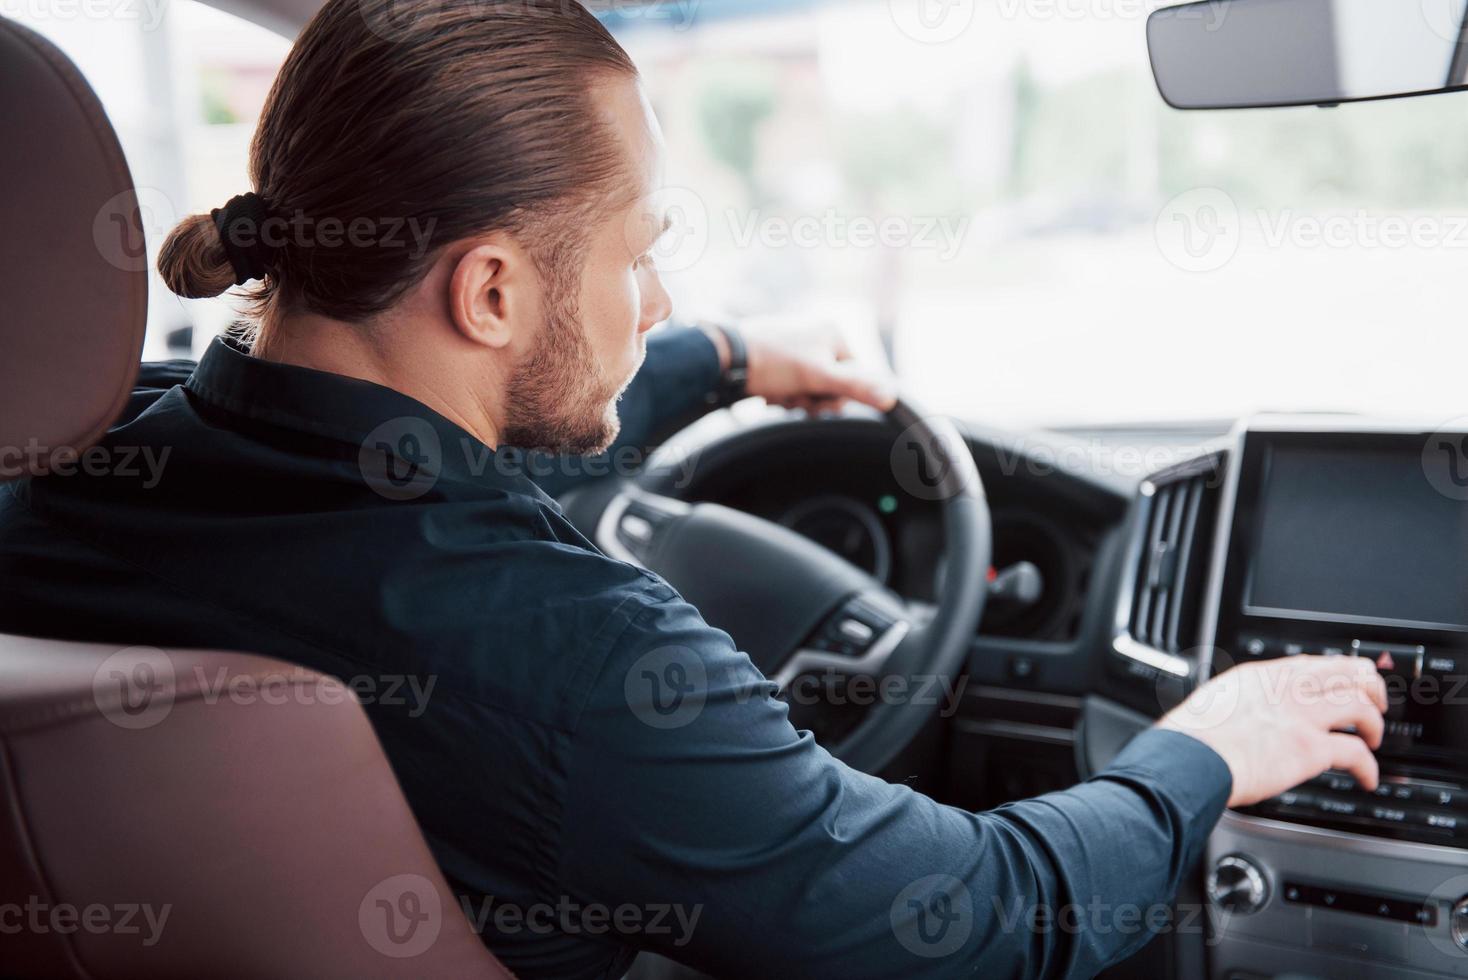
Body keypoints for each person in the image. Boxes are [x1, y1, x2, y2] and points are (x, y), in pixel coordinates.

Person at [0, 1, 1388, 977]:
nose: (659, 293)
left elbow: (426, 450)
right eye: (640, 251)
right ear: (490, 287)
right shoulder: (574, 652)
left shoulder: (85, 464)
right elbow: (972, 920)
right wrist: (1204, 749)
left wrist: (724, 361)